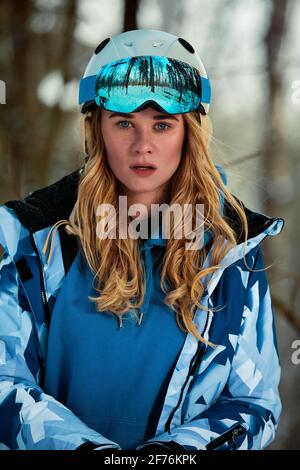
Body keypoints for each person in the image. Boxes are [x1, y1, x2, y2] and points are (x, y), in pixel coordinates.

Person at [0, 29, 284, 451]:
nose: (142, 146)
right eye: (124, 123)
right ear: (97, 128)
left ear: (189, 132)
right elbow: (5, 382)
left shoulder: (231, 250)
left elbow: (253, 403)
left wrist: (170, 456)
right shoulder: (34, 240)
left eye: (163, 125)